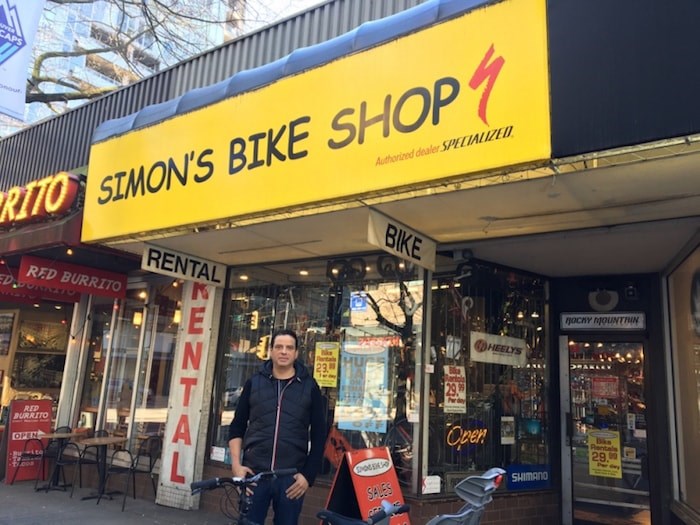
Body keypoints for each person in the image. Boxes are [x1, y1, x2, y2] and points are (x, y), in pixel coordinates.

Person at [228, 329, 327, 525]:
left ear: (296, 353)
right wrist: (236, 466)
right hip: (254, 476)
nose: (284, 352)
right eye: (279, 347)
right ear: (271, 351)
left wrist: (308, 475)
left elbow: (319, 435)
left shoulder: (310, 387)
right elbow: (237, 427)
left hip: (290, 479)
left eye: (289, 348)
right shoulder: (254, 383)